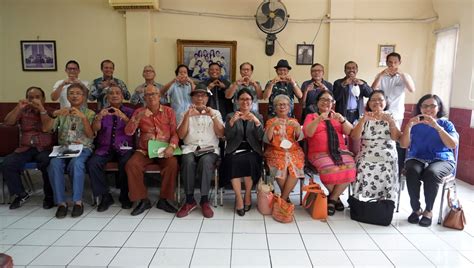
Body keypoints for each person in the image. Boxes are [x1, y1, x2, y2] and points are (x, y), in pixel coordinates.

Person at [400, 94, 458, 227]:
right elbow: (403, 145)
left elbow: (452, 145)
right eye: (425, 106)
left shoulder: (446, 124)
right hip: (417, 157)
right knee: (412, 170)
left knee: (432, 173)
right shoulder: (414, 124)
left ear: (439, 108)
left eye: (432, 106)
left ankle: (428, 210)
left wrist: (437, 127)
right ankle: (416, 208)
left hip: (442, 159)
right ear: (420, 108)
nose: (428, 109)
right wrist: (408, 126)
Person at [125, 85, 179, 216]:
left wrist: (171, 147)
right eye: (148, 95)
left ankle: (165, 200)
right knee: (131, 165)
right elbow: (128, 132)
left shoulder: (168, 111)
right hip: (145, 150)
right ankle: (142, 200)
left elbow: (174, 133)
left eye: (154, 94)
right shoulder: (139, 111)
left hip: (164, 149)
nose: (151, 97)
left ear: (159, 96)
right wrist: (137, 118)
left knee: (172, 164)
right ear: (144, 98)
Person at [44, 83, 95, 218]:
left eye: (78, 93)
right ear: (67, 96)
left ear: (84, 97)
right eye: (71, 93)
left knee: (76, 163)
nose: (74, 95)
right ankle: (61, 203)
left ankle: (78, 202)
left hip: (82, 148)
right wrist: (55, 115)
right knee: (54, 164)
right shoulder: (63, 112)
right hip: (64, 148)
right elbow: (47, 129)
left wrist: (83, 118)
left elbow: (91, 135)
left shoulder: (90, 113)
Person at [303, 90, 356, 215]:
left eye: (329, 100)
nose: (326, 102)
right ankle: (336, 198)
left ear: (333, 103)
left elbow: (350, 133)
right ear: (317, 102)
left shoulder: (337, 116)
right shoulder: (311, 116)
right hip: (319, 152)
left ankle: (331, 199)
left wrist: (342, 120)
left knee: (351, 167)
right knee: (329, 168)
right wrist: (319, 119)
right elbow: (308, 133)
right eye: (323, 99)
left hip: (340, 151)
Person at [176, 85, 224, 218]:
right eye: (197, 95)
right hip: (190, 148)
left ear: (207, 98)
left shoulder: (215, 112)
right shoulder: (184, 112)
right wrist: (187, 116)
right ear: (192, 98)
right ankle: (190, 200)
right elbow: (180, 135)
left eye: (203, 95)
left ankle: (204, 200)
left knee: (206, 161)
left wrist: (212, 116)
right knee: (187, 160)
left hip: (209, 149)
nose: (200, 98)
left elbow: (221, 134)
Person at [2, 87, 54, 209]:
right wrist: (18, 108)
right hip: (25, 148)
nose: (34, 100)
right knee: (8, 163)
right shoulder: (23, 110)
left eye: (37, 97)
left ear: (43, 99)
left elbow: (47, 128)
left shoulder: (49, 110)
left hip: (44, 148)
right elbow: (8, 122)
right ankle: (20, 194)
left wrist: (41, 109)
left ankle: (49, 197)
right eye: (31, 97)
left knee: (47, 162)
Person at [87, 84, 134, 212]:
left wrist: (123, 116)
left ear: (122, 96)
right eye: (111, 93)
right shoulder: (102, 111)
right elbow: (94, 130)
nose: (114, 95)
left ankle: (125, 196)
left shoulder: (130, 111)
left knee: (126, 163)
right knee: (93, 163)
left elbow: (134, 129)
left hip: (124, 147)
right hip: (105, 147)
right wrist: (98, 117)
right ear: (107, 97)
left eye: (117, 93)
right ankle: (105, 196)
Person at [351, 90, 401, 201]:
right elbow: (355, 137)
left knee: (386, 164)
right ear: (368, 103)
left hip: (387, 153)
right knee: (363, 163)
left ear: (385, 102)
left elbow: (396, 138)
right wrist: (363, 121)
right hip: (367, 152)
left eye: (380, 99)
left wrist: (391, 122)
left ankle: (384, 200)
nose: (377, 102)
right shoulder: (364, 117)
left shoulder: (392, 117)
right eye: (373, 100)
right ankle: (358, 199)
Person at [223, 88, 264, 216]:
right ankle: (239, 197)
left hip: (252, 150)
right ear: (237, 101)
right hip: (234, 149)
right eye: (242, 99)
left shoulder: (258, 116)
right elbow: (227, 137)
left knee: (251, 161)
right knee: (233, 162)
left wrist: (257, 122)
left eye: (248, 99)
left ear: (252, 102)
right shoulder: (231, 115)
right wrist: (231, 122)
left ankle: (247, 194)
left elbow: (261, 137)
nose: (245, 102)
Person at [264, 95, 305, 202]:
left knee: (295, 166)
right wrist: (272, 126)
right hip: (275, 150)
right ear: (275, 107)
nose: (282, 107)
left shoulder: (293, 120)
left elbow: (299, 138)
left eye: (285, 104)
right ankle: (286, 198)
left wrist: (297, 127)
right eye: (279, 104)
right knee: (280, 165)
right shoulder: (270, 121)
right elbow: (267, 139)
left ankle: (283, 199)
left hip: (293, 151)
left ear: (289, 107)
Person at [371, 52, 416, 128]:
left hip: (397, 113)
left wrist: (402, 75)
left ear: (399, 62)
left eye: (395, 62)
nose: (392, 65)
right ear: (386, 63)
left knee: (394, 136)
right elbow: (372, 90)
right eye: (390, 62)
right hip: (382, 111)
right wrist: (381, 75)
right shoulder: (380, 75)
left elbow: (412, 89)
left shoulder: (405, 76)